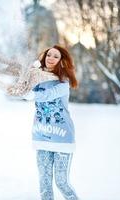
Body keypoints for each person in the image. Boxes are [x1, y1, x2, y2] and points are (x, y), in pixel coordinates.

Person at [31, 45, 79, 200]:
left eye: (55, 56)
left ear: (61, 61)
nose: (50, 58)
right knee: (44, 183)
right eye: (48, 55)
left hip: (62, 138)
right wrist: (29, 73)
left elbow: (44, 96)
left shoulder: (62, 83)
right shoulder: (37, 78)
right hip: (41, 136)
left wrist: (28, 92)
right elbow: (25, 92)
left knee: (61, 182)